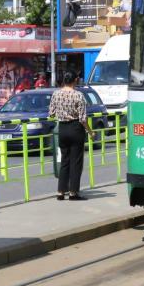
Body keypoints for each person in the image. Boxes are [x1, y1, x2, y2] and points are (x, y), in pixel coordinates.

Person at [48, 70, 94, 201]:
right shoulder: (79, 96)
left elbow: (51, 113)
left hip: (62, 129)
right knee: (76, 162)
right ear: (75, 80)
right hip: (75, 129)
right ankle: (73, 193)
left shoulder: (56, 94)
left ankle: (60, 192)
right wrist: (90, 132)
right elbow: (83, 119)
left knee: (64, 161)